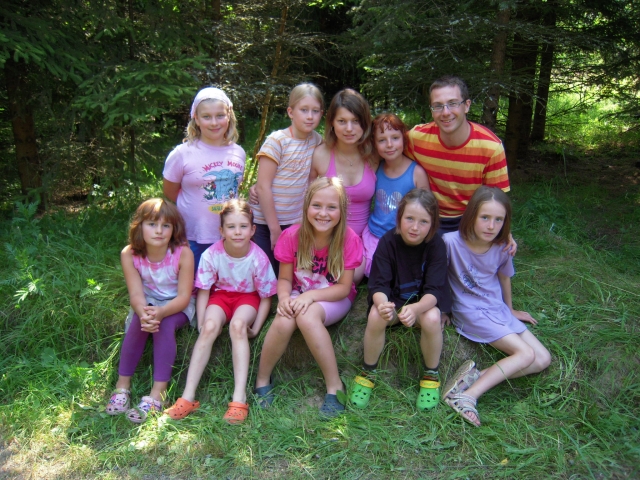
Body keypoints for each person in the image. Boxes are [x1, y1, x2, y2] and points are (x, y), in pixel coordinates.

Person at [254, 177, 363, 417]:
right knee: (284, 320)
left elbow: (344, 287)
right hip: (299, 292)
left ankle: (335, 386)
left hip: (333, 297)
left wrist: (312, 296)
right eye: (317, 205)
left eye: (331, 207)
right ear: (306, 207)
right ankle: (262, 379)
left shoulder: (349, 239)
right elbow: (284, 279)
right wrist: (284, 298)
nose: (323, 213)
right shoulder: (292, 236)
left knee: (307, 316)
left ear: (342, 211)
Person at [442, 186, 551, 427]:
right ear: (472, 215)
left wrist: (510, 309)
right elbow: (437, 277)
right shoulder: (450, 242)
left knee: (542, 359)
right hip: (470, 311)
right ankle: (467, 396)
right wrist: (443, 309)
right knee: (525, 354)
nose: (491, 226)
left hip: (496, 307)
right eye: (485, 217)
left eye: (498, 220)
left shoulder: (502, 247)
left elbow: (504, 277)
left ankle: (474, 378)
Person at [164, 199, 277, 424]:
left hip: (248, 298)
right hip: (221, 296)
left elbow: (266, 296)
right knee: (209, 328)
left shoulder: (258, 258)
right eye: (231, 227)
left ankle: (239, 399)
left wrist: (256, 327)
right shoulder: (212, 254)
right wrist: (202, 320)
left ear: (253, 230)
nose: (238, 232)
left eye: (243, 226)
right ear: (221, 230)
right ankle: (187, 397)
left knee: (237, 326)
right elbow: (204, 290)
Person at [350, 189, 451, 411]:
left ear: (433, 224)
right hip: (394, 304)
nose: (415, 227)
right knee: (376, 315)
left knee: (433, 318)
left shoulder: (436, 245)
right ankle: (368, 372)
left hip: (421, 307)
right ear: (399, 218)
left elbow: (435, 291)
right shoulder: (388, 242)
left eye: (423, 222)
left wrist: (416, 309)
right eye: (409, 219)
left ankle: (431, 376)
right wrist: (382, 304)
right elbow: (378, 285)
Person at [105, 199, 195, 423]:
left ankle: (158, 395)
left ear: (174, 229)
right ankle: (122, 387)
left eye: (166, 225)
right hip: (147, 302)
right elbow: (136, 294)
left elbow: (184, 297)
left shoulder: (183, 253)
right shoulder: (129, 254)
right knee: (139, 321)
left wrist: (162, 312)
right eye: (152, 224)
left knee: (164, 324)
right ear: (139, 226)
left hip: (177, 304)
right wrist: (143, 312)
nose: (159, 231)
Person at [406, 76, 511, 236]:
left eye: (453, 103)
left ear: (466, 106)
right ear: (432, 110)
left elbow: (496, 201)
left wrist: (505, 234)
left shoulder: (490, 147)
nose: (445, 112)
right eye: (438, 106)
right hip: (429, 216)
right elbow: (386, 152)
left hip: (471, 219)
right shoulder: (416, 138)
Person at [163, 87, 245, 270]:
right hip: (193, 236)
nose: (214, 123)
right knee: (193, 281)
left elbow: (235, 187)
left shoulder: (238, 152)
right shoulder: (182, 153)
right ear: (196, 119)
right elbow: (169, 191)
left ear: (229, 115)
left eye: (220, 115)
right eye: (206, 117)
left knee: (225, 281)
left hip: (230, 235)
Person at [252, 83, 324, 276]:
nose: (310, 116)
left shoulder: (317, 140)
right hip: (266, 222)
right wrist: (274, 229)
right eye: (304, 110)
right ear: (291, 112)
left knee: (290, 273)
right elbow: (263, 186)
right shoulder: (277, 141)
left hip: (295, 222)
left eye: (315, 111)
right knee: (265, 273)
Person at [310, 88, 376, 283]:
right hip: (326, 235)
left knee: (354, 275)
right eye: (342, 121)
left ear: (365, 123)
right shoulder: (321, 154)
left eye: (355, 121)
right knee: (330, 277)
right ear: (331, 122)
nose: (349, 128)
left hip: (361, 239)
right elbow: (306, 197)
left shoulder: (374, 155)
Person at [362, 113, 430, 277]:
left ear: (404, 139)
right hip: (375, 233)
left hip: (403, 237)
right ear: (374, 144)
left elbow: (428, 209)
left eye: (395, 138)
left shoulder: (416, 173)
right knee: (369, 270)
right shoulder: (376, 167)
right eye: (382, 140)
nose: (389, 145)